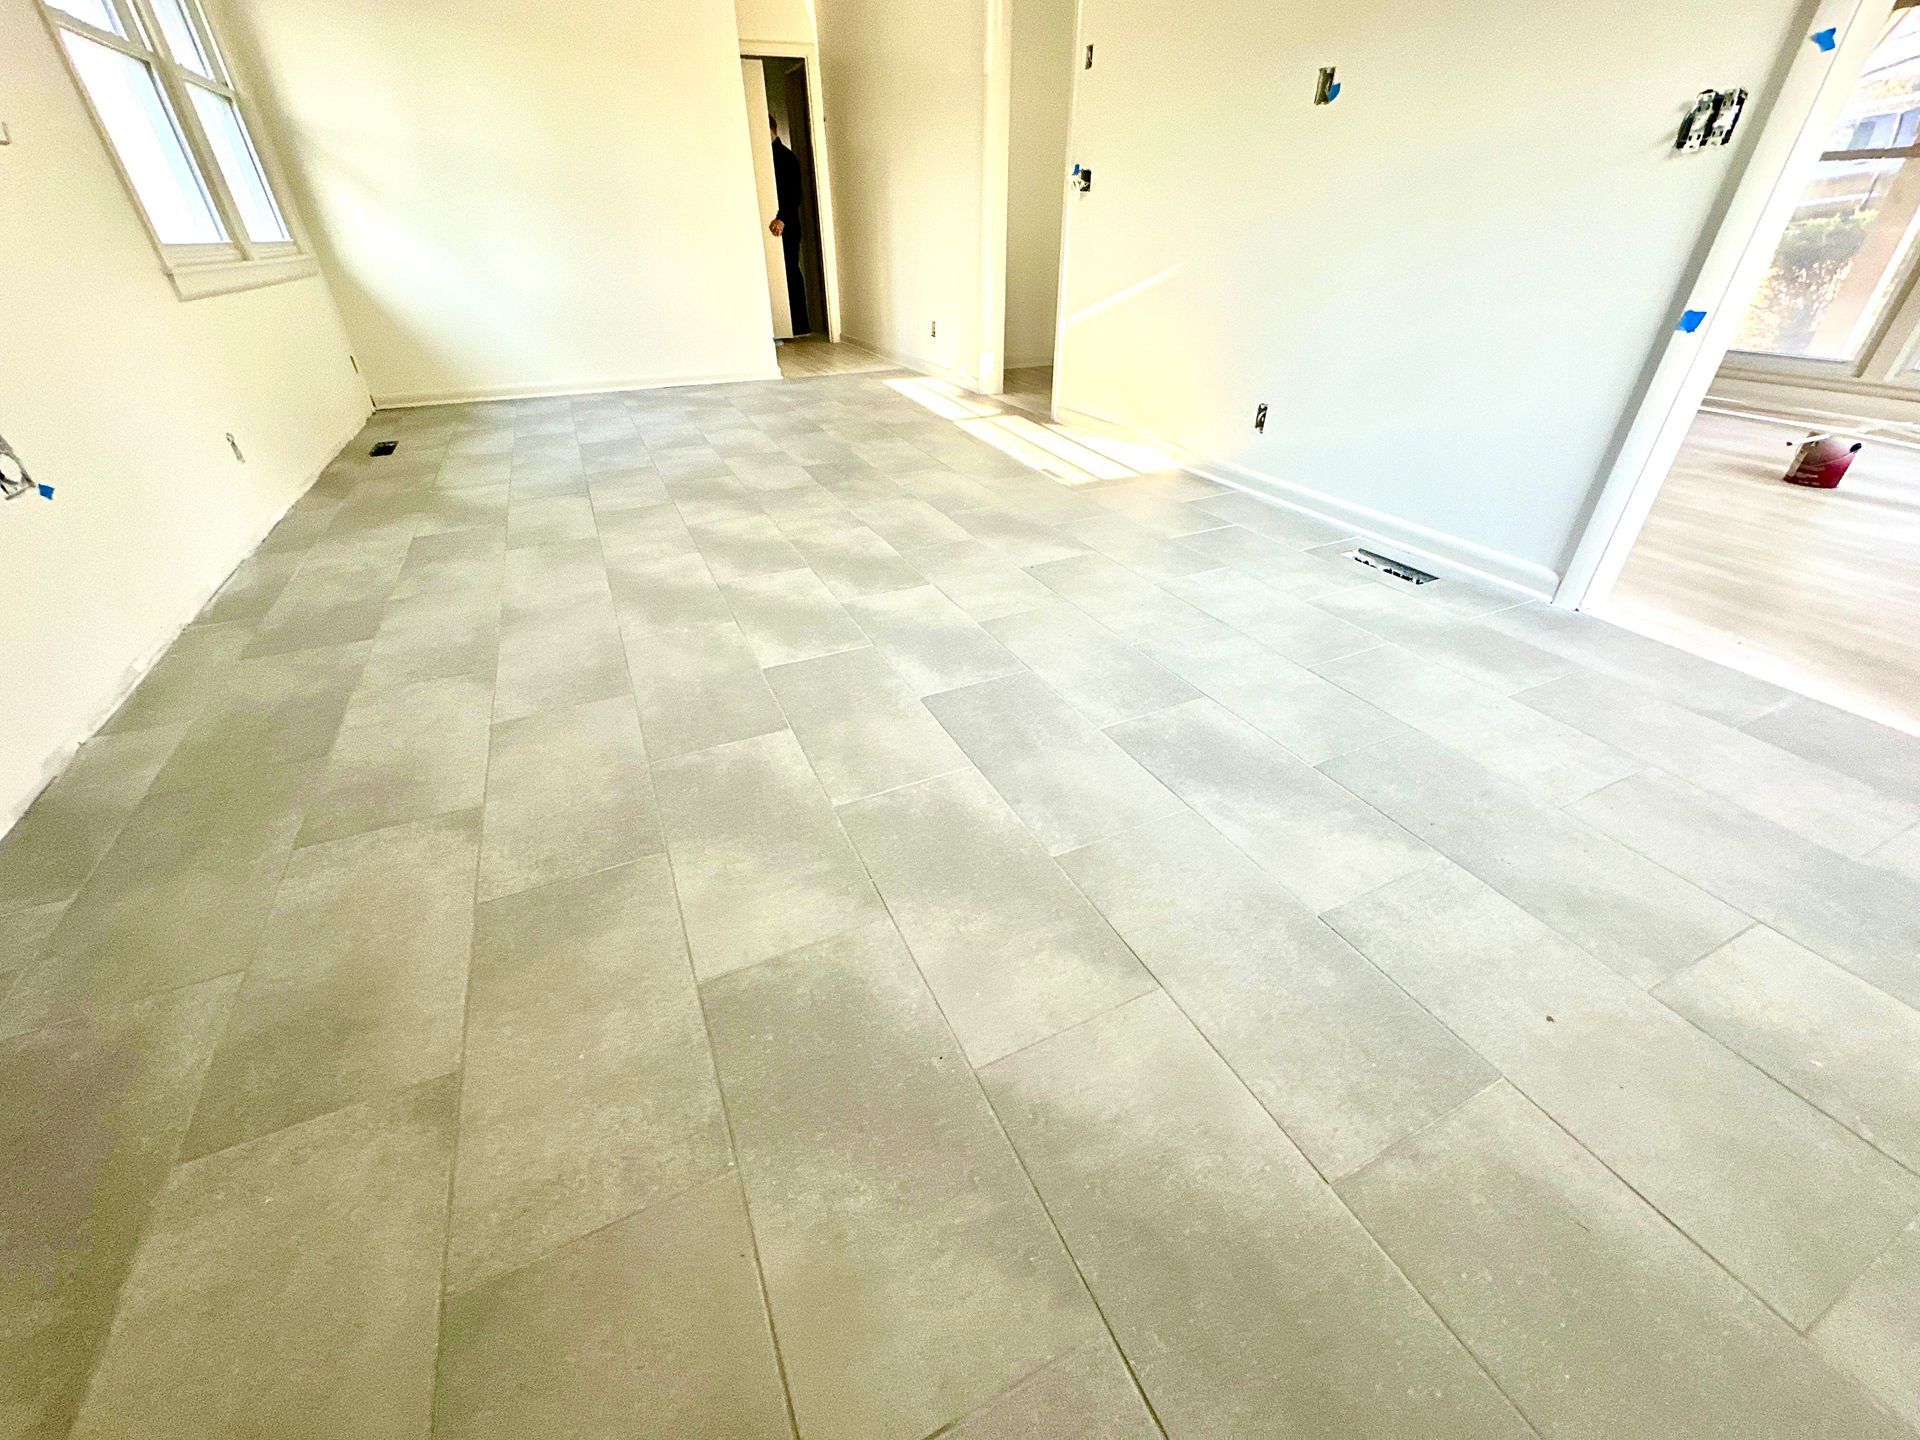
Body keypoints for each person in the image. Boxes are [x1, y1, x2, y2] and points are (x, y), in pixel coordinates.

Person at [768, 115, 811, 335]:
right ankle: (789, 325)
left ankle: (798, 325)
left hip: (788, 224)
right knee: (785, 270)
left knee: (790, 270)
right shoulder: (769, 158)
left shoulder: (785, 158)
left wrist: (782, 218)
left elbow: (795, 195)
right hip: (783, 222)